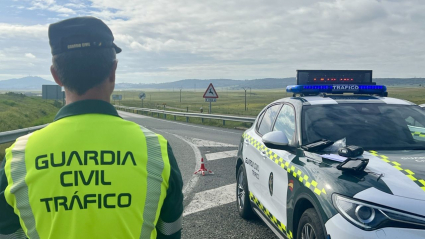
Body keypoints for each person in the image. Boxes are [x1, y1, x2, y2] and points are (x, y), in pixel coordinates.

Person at [0, 17, 183, 239]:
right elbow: (170, 232)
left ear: (56, 76)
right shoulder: (156, 148)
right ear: (113, 71)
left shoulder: (17, 158)